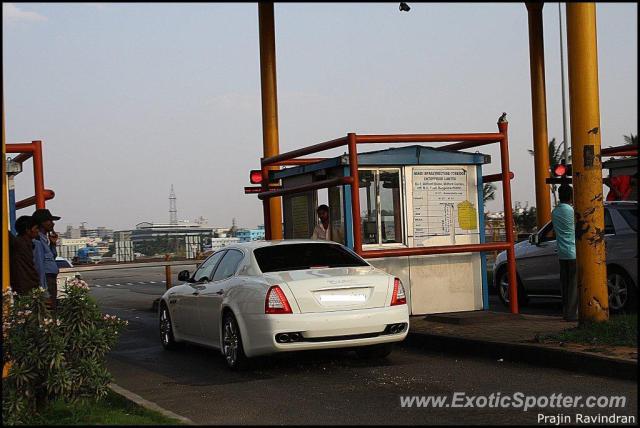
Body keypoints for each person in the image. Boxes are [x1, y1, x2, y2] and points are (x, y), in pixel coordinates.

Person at [552, 185, 578, 322]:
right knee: (574, 286)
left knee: (565, 285)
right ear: (571, 196)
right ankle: (572, 314)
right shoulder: (572, 211)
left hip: (562, 253)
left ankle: (565, 312)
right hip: (574, 252)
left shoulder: (555, 212)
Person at [32, 208, 61, 308]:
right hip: (47, 280)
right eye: (50, 221)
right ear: (42, 223)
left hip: (51, 279)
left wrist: (53, 244)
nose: (52, 224)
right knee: (49, 310)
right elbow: (39, 266)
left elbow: (51, 257)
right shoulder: (38, 241)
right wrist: (43, 290)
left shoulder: (45, 239)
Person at [9, 216, 41, 296]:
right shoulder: (19, 243)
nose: (38, 231)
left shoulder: (28, 243)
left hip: (28, 286)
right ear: (27, 230)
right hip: (24, 288)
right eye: (36, 228)